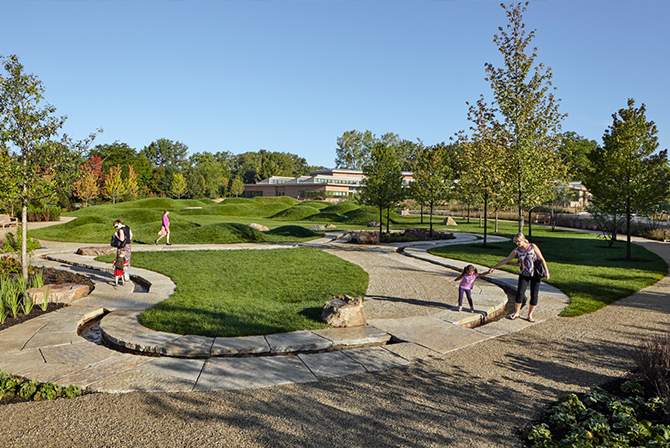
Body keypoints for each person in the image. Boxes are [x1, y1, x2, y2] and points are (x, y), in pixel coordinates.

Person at [487, 233, 550, 323]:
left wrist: (547, 272)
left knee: (534, 295)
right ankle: (517, 313)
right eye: (515, 242)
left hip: (535, 274)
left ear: (523, 240)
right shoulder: (517, 251)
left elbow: (542, 259)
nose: (517, 243)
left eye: (518, 241)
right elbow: (506, 260)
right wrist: (494, 267)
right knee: (520, 293)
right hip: (524, 274)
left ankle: (530, 315)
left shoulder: (532, 247)